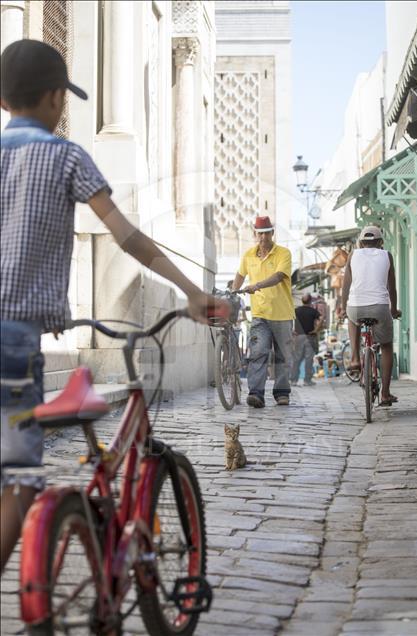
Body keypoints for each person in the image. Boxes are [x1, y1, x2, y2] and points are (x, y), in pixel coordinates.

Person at [0, 39, 228, 573]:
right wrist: (193, 292)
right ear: (56, 98)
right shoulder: (66, 155)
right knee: (21, 476)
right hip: (14, 343)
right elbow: (128, 238)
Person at [231, 216, 294, 408]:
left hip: (282, 314)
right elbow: (240, 275)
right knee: (258, 353)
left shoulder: (284, 253)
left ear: (272, 233)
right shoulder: (248, 255)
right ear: (255, 234)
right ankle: (256, 393)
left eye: (267, 233)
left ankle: (282, 392)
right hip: (259, 315)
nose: (263, 237)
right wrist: (234, 292)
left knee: (283, 355)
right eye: (260, 233)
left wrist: (257, 285)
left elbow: (279, 276)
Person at [340, 225, 401, 406]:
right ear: (380, 242)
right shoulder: (387, 255)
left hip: (356, 308)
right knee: (386, 346)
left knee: (352, 318)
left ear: (361, 242)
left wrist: (344, 309)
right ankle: (385, 393)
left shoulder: (353, 256)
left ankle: (355, 358)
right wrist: (394, 310)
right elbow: (392, 288)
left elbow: (345, 287)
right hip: (380, 308)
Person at [291, 293, 323, 386]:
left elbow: (288, 318)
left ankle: (293, 380)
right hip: (310, 336)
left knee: (297, 359)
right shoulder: (313, 311)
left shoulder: (296, 310)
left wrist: (291, 330)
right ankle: (307, 380)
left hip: (298, 337)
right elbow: (321, 318)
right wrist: (316, 330)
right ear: (310, 301)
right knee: (309, 359)